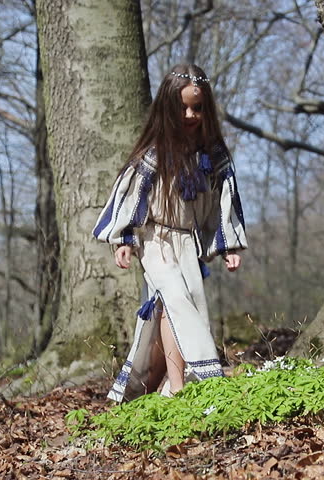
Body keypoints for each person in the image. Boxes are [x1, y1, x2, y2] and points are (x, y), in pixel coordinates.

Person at [92, 64, 247, 402]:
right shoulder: (155, 153)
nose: (190, 115)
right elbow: (133, 196)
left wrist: (227, 245)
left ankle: (169, 386)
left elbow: (225, 200)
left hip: (186, 243)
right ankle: (193, 384)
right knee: (175, 297)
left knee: (182, 303)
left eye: (198, 107)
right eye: (183, 107)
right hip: (156, 241)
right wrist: (125, 239)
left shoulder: (213, 154)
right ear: (168, 107)